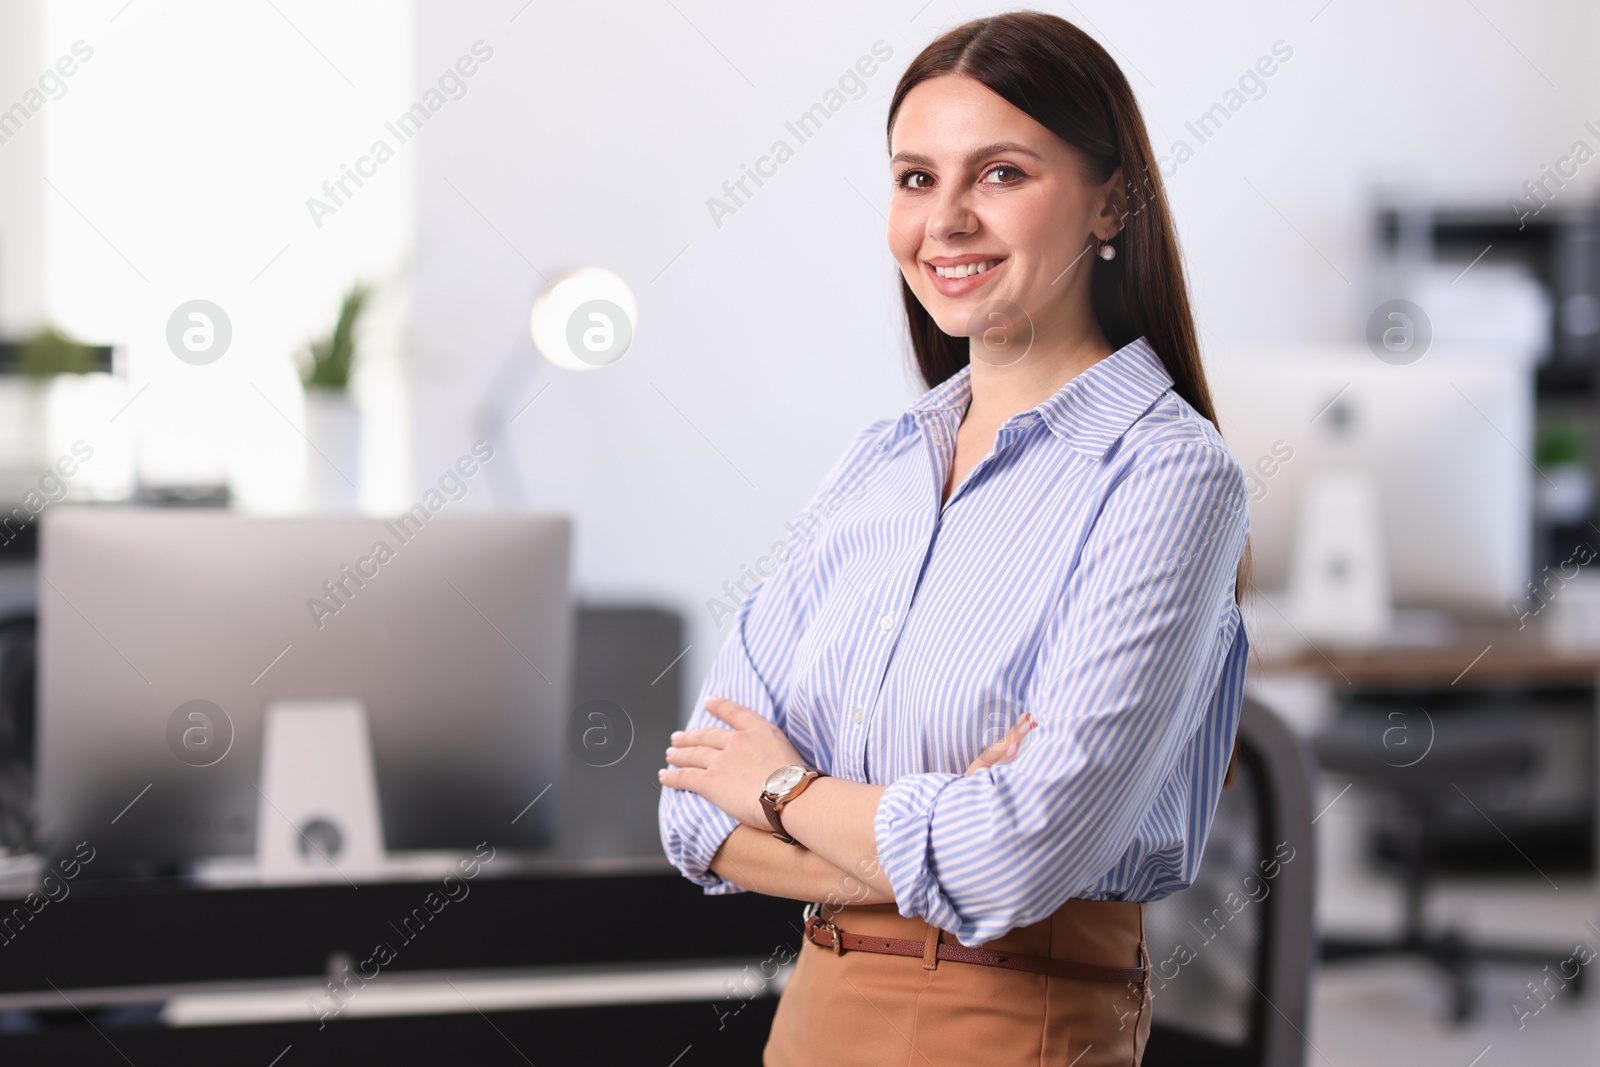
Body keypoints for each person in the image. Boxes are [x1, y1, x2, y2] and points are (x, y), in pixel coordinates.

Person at [658, 11, 1252, 1065]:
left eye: (1001, 174)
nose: (947, 220)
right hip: (813, 1012)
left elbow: (1015, 860)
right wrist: (929, 829)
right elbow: (694, 808)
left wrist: (786, 790)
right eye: (916, 178)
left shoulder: (1168, 475)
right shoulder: (876, 465)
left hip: (1008, 1014)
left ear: (1112, 198)